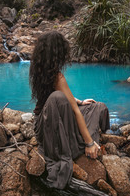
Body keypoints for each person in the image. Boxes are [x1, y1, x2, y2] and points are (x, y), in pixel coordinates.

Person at [29, 31, 110, 189]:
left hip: (44, 122)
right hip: (48, 128)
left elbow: (64, 98)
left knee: (97, 106)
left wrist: (79, 101)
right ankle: (78, 144)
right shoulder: (57, 76)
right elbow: (74, 111)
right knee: (61, 99)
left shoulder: (38, 70)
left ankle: (100, 137)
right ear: (58, 53)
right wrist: (89, 143)